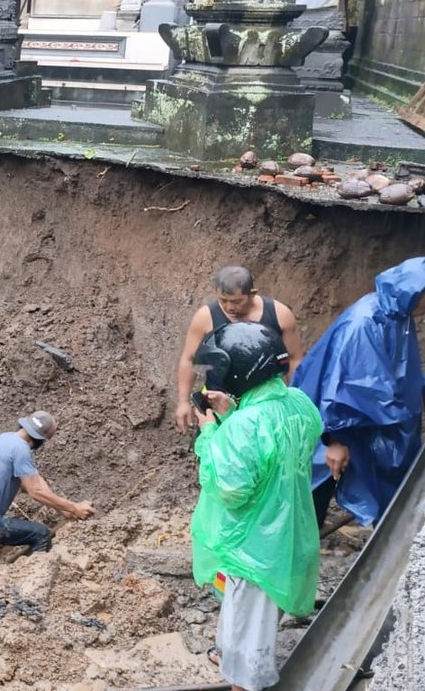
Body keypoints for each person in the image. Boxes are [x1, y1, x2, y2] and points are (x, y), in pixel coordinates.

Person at [189, 322, 322, 691]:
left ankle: (244, 681)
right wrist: (233, 414)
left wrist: (211, 431)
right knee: (250, 610)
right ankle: (230, 655)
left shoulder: (244, 426)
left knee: (250, 622)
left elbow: (232, 488)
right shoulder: (298, 403)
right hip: (287, 531)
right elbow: (271, 449)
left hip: (254, 544)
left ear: (239, 370)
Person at [292, 257, 425, 527]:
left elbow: (401, 374)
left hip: (362, 427)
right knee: (313, 491)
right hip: (332, 429)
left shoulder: (399, 317)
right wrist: (336, 440)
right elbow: (341, 389)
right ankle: (294, 557)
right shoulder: (364, 323)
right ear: (413, 292)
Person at [0, 412, 94, 570]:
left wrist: (63, 509)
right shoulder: (21, 449)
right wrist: (74, 507)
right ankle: (25, 583)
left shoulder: (6, 438)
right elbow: (34, 490)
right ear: (40, 439)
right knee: (41, 535)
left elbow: (34, 480)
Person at [175, 266, 303, 432]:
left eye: (236, 302)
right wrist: (183, 401)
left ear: (253, 293)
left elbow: (294, 358)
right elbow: (189, 359)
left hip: (266, 404)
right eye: (223, 301)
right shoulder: (205, 317)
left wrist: (294, 399)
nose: (229, 308)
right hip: (219, 403)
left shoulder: (279, 314)